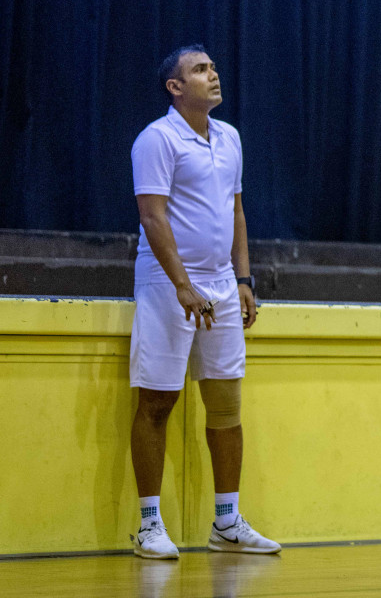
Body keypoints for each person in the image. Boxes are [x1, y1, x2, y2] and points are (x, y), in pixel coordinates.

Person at [129, 46, 279, 559]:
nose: (212, 75)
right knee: (157, 401)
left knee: (225, 402)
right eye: (200, 69)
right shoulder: (157, 139)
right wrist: (181, 284)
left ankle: (227, 522)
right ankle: (149, 524)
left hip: (219, 282)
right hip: (168, 284)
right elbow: (152, 217)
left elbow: (236, 211)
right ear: (175, 87)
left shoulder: (231, 137)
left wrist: (243, 278)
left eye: (213, 68)